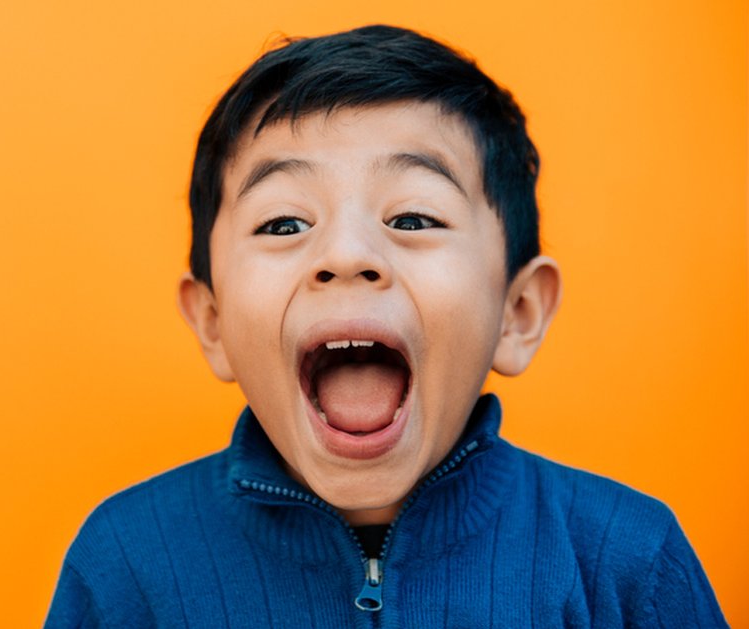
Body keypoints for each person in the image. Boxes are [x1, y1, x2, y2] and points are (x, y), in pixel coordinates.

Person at [43, 25, 727, 627]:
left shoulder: (626, 559)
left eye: (413, 219)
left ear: (517, 314)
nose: (347, 256)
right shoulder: (126, 564)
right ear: (214, 322)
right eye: (284, 223)